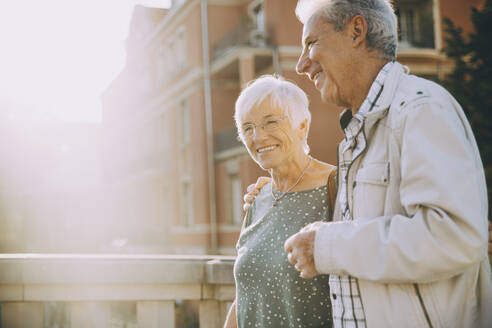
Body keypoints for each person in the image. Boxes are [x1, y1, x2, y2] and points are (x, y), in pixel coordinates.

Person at [247, 0, 492, 327]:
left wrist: (326, 244)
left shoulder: (420, 110)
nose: (303, 64)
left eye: (311, 43)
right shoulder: (360, 130)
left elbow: (454, 237)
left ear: (356, 32)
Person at [223, 75, 337, 328]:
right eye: (248, 128)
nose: (258, 137)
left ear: (302, 126)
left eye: (270, 122)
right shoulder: (258, 198)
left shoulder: (336, 186)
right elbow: (246, 296)